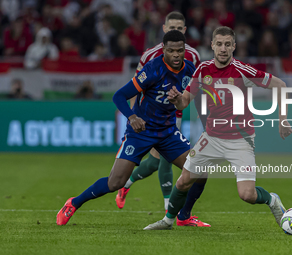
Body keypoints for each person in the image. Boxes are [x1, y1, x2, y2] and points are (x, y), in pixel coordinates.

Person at [144, 26, 292, 230]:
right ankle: (168, 221)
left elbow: (280, 84)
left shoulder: (242, 70)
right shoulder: (203, 69)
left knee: (247, 195)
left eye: (227, 44)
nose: (223, 49)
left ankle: (272, 200)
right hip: (212, 138)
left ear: (234, 46)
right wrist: (177, 100)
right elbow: (184, 102)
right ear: (212, 45)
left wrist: (282, 119)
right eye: (219, 44)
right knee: (183, 182)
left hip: (241, 139)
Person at [56, 30, 208, 227]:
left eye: (180, 50)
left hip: (168, 132)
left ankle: (184, 216)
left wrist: (180, 101)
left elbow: (184, 103)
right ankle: (73, 203)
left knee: (200, 171)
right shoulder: (153, 69)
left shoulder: (190, 70)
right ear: (164, 50)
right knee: (115, 182)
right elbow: (119, 96)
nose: (176, 55)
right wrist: (132, 116)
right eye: (171, 51)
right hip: (141, 132)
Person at [115, 11, 210, 227]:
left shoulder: (192, 56)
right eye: (171, 27)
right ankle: (172, 211)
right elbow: (136, 86)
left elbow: (194, 86)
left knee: (156, 161)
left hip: (177, 111)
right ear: (164, 29)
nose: (175, 30)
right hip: (152, 116)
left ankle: (127, 184)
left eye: (179, 27)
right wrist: (133, 116)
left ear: (184, 31)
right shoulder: (150, 55)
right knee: (163, 160)